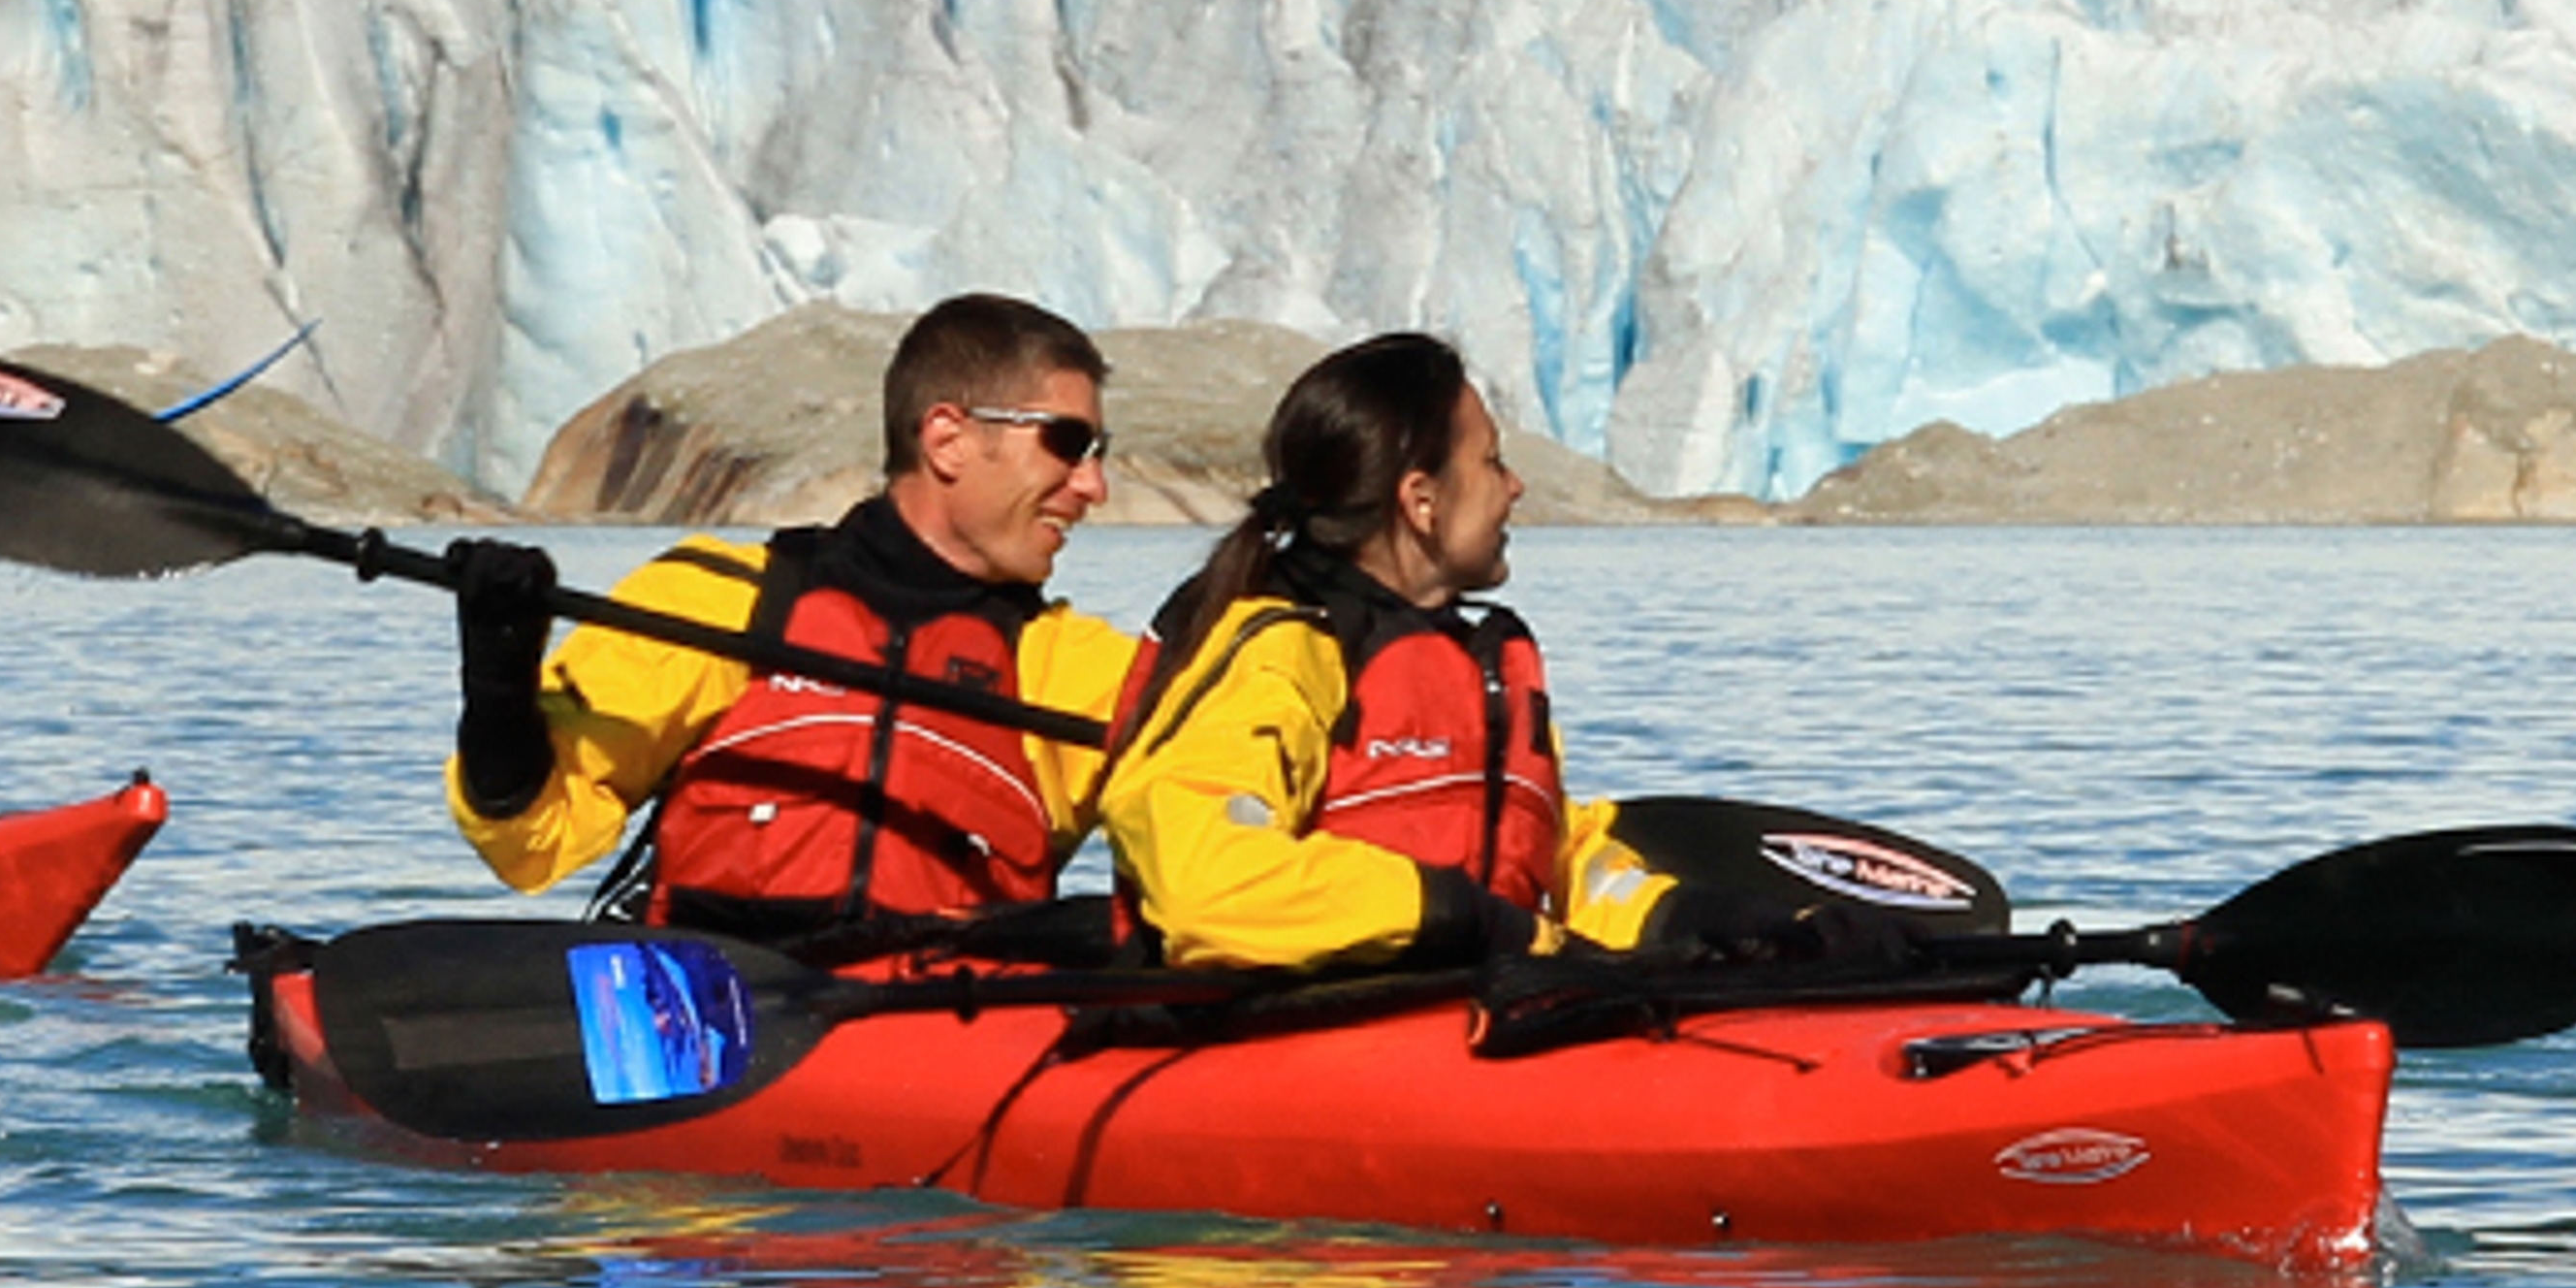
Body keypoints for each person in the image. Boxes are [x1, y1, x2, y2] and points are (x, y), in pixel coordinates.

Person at [445, 291, 1146, 946]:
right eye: (1066, 443)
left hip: (946, 1043)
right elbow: (530, 838)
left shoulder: (1086, 675)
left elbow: (1213, 858)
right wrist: (498, 684)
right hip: (716, 1029)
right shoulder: (714, 603)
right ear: (948, 439)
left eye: (1098, 455)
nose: (1093, 485)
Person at [1098, 330, 1667, 972]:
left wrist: (1673, 918)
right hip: (1293, 1037)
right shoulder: (1282, 651)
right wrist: (1455, 914)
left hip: (1459, 1016)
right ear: (1421, 500)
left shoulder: (1470, 665)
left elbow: (1549, 849)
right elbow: (1208, 880)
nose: (1514, 488)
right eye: (1492, 463)